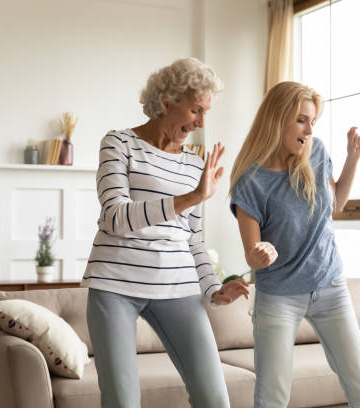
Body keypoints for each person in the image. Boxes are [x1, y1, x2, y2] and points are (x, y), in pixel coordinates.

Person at [82, 57, 249, 408]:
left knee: (215, 398)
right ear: (167, 101)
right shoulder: (118, 142)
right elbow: (114, 216)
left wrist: (214, 291)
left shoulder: (195, 163)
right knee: (122, 401)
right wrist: (191, 197)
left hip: (179, 286)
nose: (202, 122)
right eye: (195, 110)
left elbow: (193, 238)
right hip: (116, 284)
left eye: (206, 112)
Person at [229, 81, 360, 408]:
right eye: (301, 120)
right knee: (272, 397)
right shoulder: (250, 180)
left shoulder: (317, 152)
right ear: (277, 118)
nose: (309, 129)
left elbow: (336, 202)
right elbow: (252, 254)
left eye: (312, 121)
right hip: (279, 296)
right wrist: (260, 253)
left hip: (330, 285)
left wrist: (353, 158)